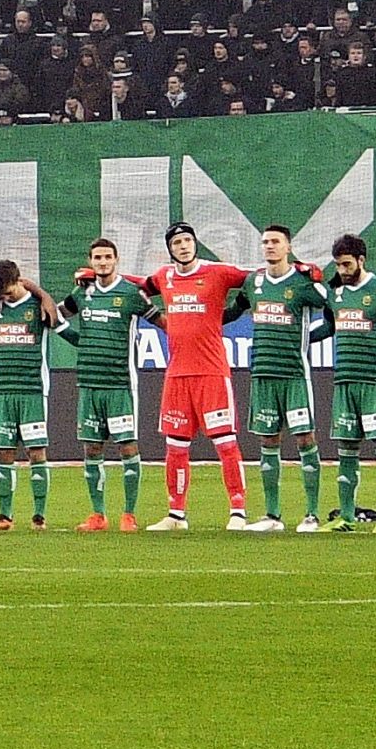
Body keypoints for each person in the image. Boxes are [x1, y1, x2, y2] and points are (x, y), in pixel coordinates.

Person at [137, 223, 251, 529]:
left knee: (226, 443)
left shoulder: (218, 272)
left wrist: (305, 270)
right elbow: (139, 286)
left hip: (212, 372)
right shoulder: (164, 277)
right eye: (177, 242)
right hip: (176, 375)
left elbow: (256, 279)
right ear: (170, 248)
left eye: (188, 240)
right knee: (175, 448)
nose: (184, 245)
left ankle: (238, 510)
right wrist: (100, 277)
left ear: (195, 243)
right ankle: (176, 514)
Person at [54, 238, 155, 532]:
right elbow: (57, 314)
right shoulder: (83, 293)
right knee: (92, 448)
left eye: (107, 257)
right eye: (97, 257)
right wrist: (76, 339)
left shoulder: (131, 294)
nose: (102, 262)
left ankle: (129, 514)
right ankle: (98, 515)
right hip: (89, 383)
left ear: (116, 260)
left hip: (120, 384)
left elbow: (161, 321)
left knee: (127, 446)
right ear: (91, 260)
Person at [236, 226, 327, 532]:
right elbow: (232, 311)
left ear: (288, 247)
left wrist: (309, 339)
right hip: (263, 373)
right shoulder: (254, 282)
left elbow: (335, 311)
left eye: (275, 242)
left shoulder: (303, 283)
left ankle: (312, 514)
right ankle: (272, 516)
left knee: (305, 439)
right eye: (265, 242)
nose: (269, 246)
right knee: (268, 441)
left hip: (294, 375)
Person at [324, 233, 376, 534]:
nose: (342, 270)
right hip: (344, 381)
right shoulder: (335, 294)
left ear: (361, 260)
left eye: (347, 264)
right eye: (338, 265)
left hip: (374, 381)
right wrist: (299, 338)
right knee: (346, 449)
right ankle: (345, 516)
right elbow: (329, 328)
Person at [0, 259, 55, 532]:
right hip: (2, 389)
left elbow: (58, 322)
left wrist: (43, 295)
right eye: (2, 293)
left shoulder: (37, 306)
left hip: (32, 388)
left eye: (9, 291)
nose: (5, 297)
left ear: (20, 280)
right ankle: (5, 516)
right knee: (4, 454)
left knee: (36, 452)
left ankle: (39, 516)